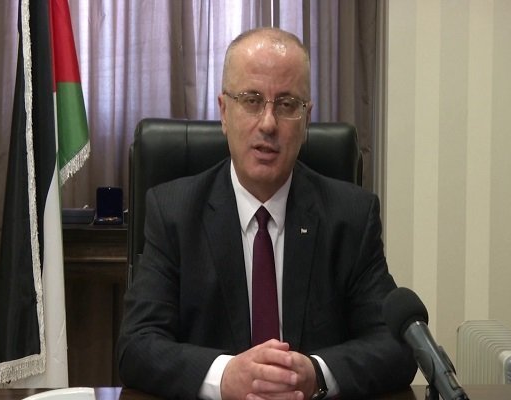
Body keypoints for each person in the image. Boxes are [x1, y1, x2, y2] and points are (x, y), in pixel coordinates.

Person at [117, 27, 416, 399]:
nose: (269, 123)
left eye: (287, 104)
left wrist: (316, 374)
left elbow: (396, 346)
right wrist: (225, 376)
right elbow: (137, 346)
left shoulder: (350, 216)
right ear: (224, 112)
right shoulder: (174, 213)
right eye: (252, 100)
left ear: (306, 119)